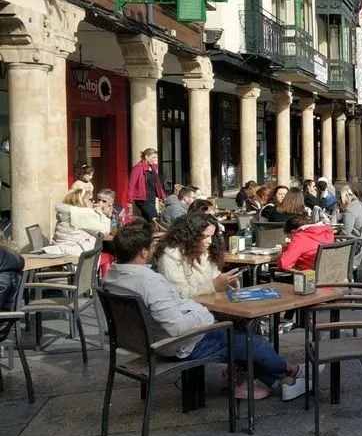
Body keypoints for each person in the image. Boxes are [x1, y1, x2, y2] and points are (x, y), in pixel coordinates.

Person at [104, 218, 308, 401]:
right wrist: (203, 316)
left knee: (241, 340)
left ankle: (282, 381)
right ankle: (289, 372)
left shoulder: (111, 277)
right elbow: (176, 328)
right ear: (143, 252)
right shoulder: (149, 281)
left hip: (148, 341)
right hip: (177, 344)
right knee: (251, 343)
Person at [155, 214, 240, 300]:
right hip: (187, 311)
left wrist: (228, 282)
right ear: (190, 236)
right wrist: (213, 285)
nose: (210, 241)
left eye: (211, 236)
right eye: (204, 236)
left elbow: (216, 277)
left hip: (210, 306)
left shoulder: (205, 253)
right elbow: (179, 293)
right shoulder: (171, 256)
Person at [43, 189, 111, 256]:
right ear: (81, 201)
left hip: (62, 252)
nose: (93, 202)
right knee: (108, 257)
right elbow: (104, 231)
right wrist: (102, 215)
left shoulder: (70, 213)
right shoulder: (81, 215)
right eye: (90, 199)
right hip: (76, 257)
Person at [127, 148, 166, 222]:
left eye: (155, 157)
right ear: (146, 157)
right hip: (143, 199)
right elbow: (131, 185)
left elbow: (157, 184)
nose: (155, 160)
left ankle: (144, 233)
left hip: (152, 198)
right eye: (153, 157)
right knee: (155, 220)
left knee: (146, 221)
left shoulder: (153, 168)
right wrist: (129, 201)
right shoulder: (138, 168)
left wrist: (163, 196)